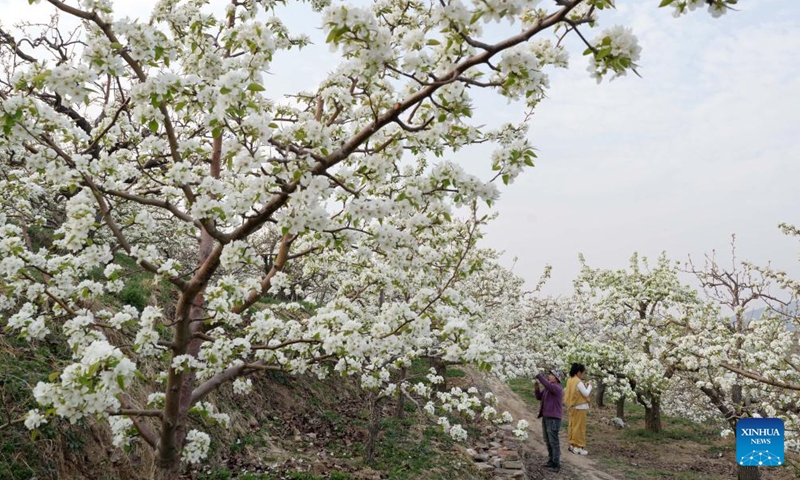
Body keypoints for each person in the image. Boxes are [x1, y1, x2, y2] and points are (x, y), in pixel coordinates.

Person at [535, 368, 563, 473]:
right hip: (547, 417)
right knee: (548, 440)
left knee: (553, 441)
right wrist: (537, 388)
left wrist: (537, 375)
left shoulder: (557, 388)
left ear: (557, 378)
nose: (549, 376)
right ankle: (551, 460)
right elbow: (538, 397)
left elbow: (547, 384)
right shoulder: (548, 389)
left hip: (553, 419)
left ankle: (556, 464)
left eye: (552, 375)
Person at [565, 363, 592, 455]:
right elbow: (586, 393)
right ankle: (578, 446)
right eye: (583, 373)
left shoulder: (570, 380)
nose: (583, 375)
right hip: (580, 408)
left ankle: (572, 444)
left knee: (572, 426)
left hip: (573, 407)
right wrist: (590, 386)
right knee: (579, 428)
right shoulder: (578, 381)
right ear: (579, 372)